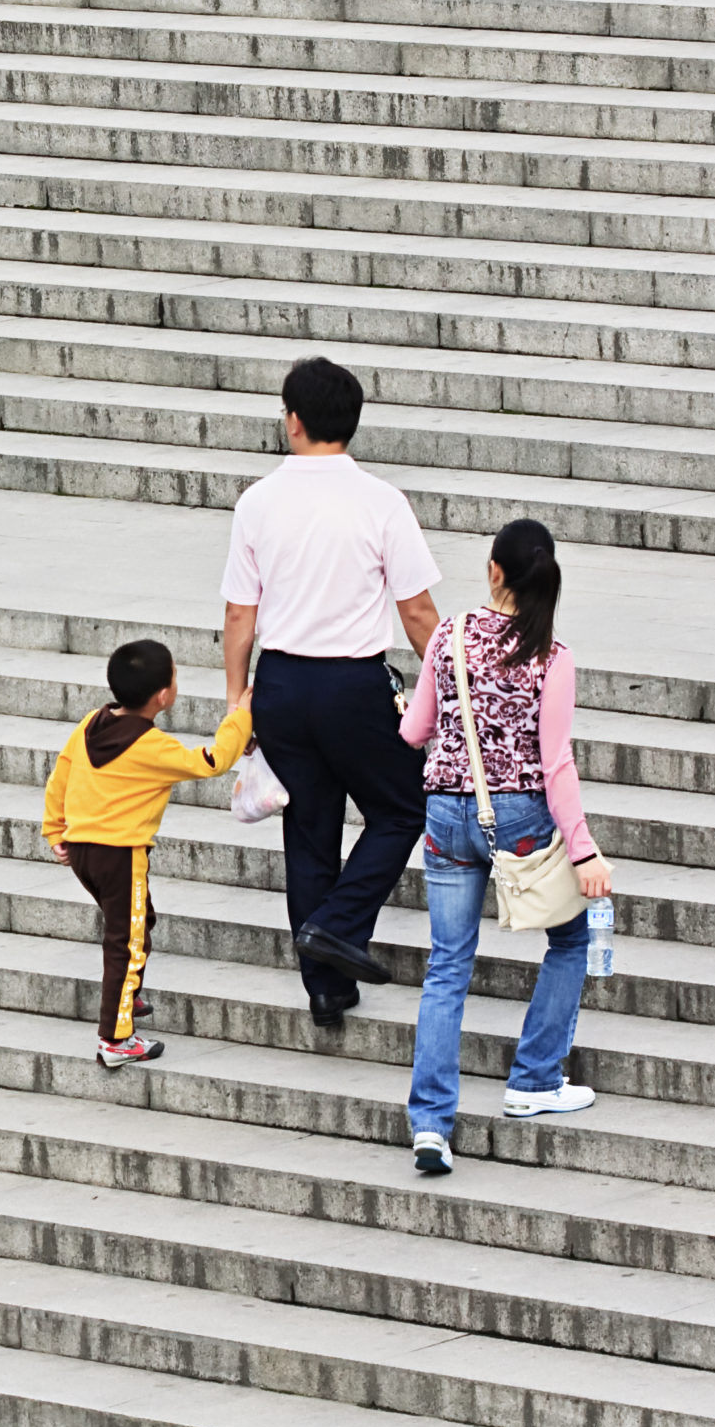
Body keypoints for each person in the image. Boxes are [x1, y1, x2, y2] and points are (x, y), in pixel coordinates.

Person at [220, 358, 441, 1029]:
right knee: (404, 806)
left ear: (293, 419)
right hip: (352, 683)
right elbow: (419, 613)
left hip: (282, 683)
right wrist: (450, 686)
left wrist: (238, 699)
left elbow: (239, 615)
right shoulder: (380, 501)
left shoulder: (259, 500)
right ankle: (339, 925)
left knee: (309, 829)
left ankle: (326, 988)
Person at [396, 518, 612, 1177]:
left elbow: (414, 732)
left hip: (445, 814)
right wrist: (583, 850)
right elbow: (556, 764)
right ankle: (535, 1077)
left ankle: (431, 1123)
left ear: (494, 571)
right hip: (517, 814)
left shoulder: (448, 634)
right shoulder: (553, 654)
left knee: (447, 965)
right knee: (571, 939)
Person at [43, 638, 254, 1068]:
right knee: (127, 941)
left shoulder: (90, 724)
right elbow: (211, 760)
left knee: (140, 920)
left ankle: (128, 996)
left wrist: (55, 828)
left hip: (83, 851)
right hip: (120, 855)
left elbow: (61, 774)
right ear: (163, 696)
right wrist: (242, 718)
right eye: (175, 678)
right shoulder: (151, 745)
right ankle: (116, 1038)